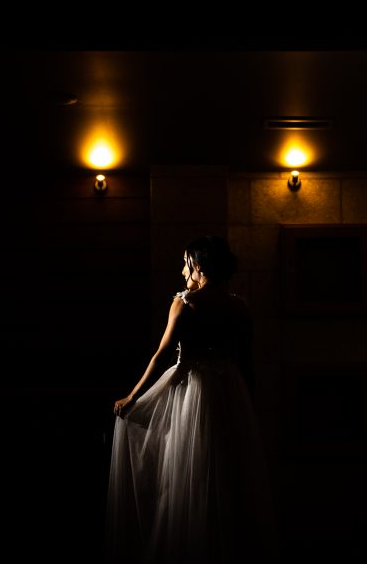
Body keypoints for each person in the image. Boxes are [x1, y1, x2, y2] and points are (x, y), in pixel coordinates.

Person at [105, 236, 279, 564]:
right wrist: (249, 404)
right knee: (228, 470)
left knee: (188, 467)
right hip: (230, 391)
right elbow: (246, 362)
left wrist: (133, 395)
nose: (183, 270)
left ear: (198, 265)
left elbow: (161, 355)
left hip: (194, 391)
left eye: (186, 263)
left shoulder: (185, 303)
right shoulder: (239, 307)